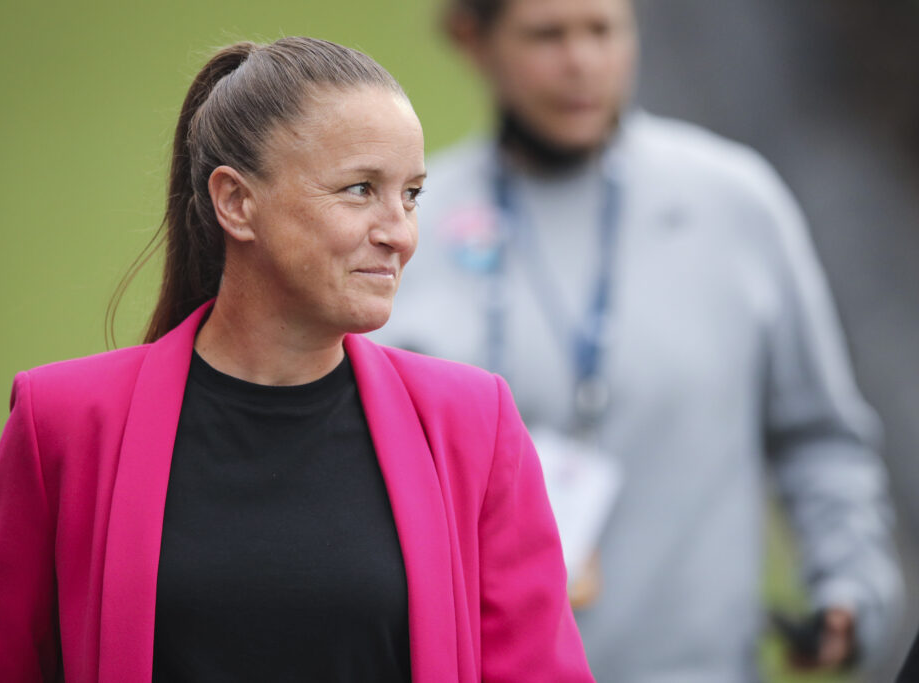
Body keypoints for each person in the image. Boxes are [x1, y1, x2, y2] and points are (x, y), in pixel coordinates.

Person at [0, 37, 595, 683]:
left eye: (412, 194)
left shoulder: (472, 422)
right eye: (361, 189)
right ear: (235, 201)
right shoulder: (60, 421)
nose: (399, 231)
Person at [372, 0, 903, 680]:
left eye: (602, 30)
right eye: (547, 35)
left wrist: (851, 587)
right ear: (473, 41)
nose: (581, 62)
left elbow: (819, 438)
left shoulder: (736, 204)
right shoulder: (412, 225)